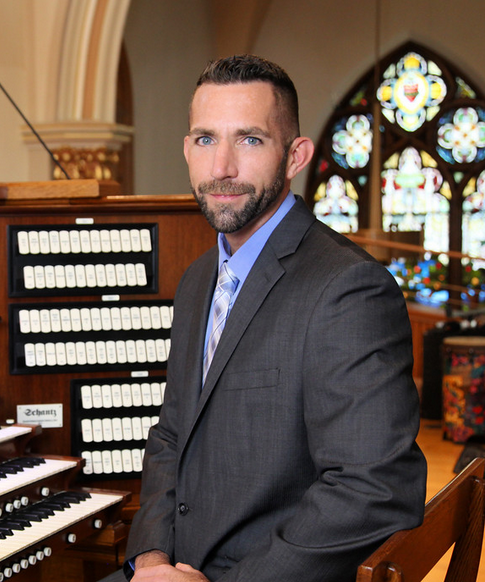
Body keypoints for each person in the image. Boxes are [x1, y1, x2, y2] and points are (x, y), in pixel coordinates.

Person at [123, 54, 427, 582]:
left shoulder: (348, 287)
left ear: (295, 155)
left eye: (249, 140)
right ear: (187, 150)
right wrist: (150, 560)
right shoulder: (197, 280)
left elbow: (373, 487)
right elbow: (171, 435)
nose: (221, 168)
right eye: (204, 139)